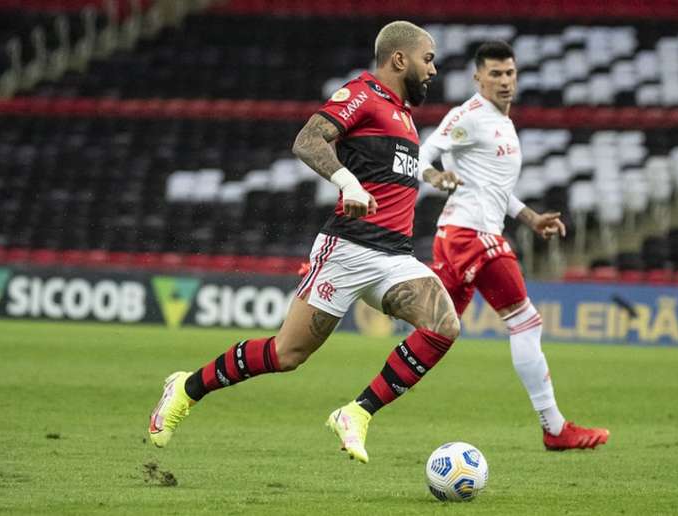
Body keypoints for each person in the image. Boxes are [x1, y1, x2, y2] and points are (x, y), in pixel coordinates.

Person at [148, 21, 461, 464]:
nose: (432, 70)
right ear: (398, 59)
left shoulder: (405, 116)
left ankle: (357, 412)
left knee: (444, 325)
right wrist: (347, 182)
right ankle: (186, 387)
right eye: (427, 59)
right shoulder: (363, 94)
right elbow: (307, 139)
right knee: (286, 353)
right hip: (347, 249)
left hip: (394, 257)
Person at [418, 40, 610, 450]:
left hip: (462, 235)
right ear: (478, 77)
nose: (505, 81)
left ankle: (360, 407)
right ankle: (554, 428)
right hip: (472, 235)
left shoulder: (503, 121)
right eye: (495, 74)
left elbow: (496, 188)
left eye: (510, 73)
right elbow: (422, 154)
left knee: (436, 331)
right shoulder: (469, 116)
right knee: (526, 321)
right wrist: (435, 178)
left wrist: (531, 218)